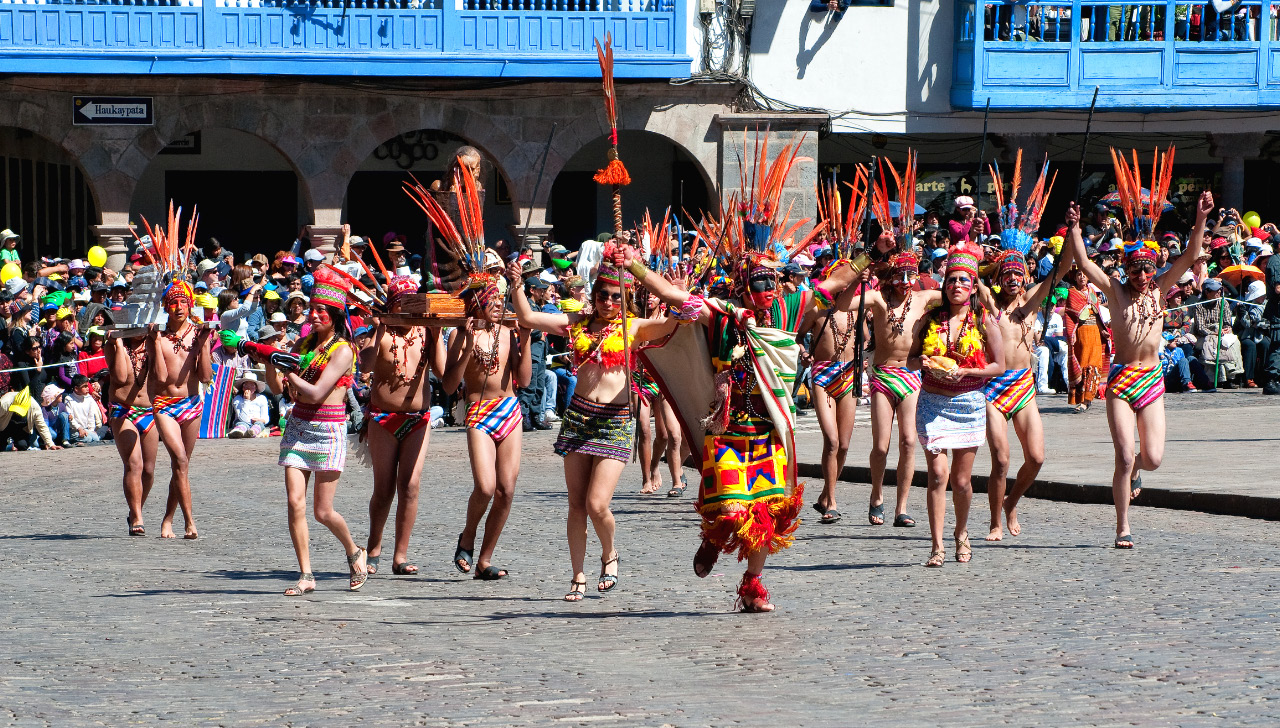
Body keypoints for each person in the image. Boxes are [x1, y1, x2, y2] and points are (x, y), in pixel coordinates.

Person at [624, 237, 865, 611]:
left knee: (766, 513)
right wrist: (634, 266)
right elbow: (673, 295)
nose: (769, 289)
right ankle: (716, 534)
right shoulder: (723, 316)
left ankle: (752, 586)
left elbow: (835, 283)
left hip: (768, 432)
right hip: (727, 431)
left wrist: (874, 256)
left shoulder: (790, 310)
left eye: (773, 281)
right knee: (734, 510)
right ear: (743, 285)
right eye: (760, 282)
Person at [507, 254, 677, 603]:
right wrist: (515, 285)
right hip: (578, 419)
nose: (609, 303)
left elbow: (675, 322)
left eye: (617, 297)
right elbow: (526, 317)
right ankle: (578, 575)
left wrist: (660, 284)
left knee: (597, 503)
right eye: (603, 296)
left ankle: (610, 554)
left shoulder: (634, 328)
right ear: (594, 295)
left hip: (614, 422)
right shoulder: (578, 323)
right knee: (576, 505)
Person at [1064, 180, 1212, 548]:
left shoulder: (1161, 288)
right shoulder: (1115, 290)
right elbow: (1083, 262)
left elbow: (1192, 254)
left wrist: (1200, 219)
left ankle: (1135, 473)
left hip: (1152, 380)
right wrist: (1075, 228)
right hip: (1120, 381)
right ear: (1127, 269)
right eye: (1135, 271)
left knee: (1153, 458)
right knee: (1124, 457)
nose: (1142, 277)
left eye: (1146, 270)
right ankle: (1122, 527)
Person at [257, 267, 368, 595]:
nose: (315, 314)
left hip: (328, 428)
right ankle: (306, 574)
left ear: (334, 315)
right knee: (295, 503)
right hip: (298, 427)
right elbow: (280, 389)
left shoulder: (343, 349)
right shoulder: (304, 345)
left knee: (322, 511)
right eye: (313, 309)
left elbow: (318, 392)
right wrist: (267, 358)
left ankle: (354, 551)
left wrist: (288, 373)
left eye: (322, 310)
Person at [910, 241, 1006, 567]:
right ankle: (936, 545)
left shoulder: (983, 321)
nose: (957, 286)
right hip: (932, 402)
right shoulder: (930, 318)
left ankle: (961, 532)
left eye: (964, 280)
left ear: (973, 286)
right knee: (938, 475)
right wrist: (922, 360)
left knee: (961, 481)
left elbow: (999, 366)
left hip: (968, 403)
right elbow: (909, 360)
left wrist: (966, 369)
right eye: (952, 280)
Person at [978, 227, 1074, 540]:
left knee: (1036, 458)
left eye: (1018, 273)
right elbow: (969, 278)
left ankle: (1011, 503)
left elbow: (1062, 269)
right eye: (1006, 274)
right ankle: (994, 521)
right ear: (998, 277)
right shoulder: (989, 306)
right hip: (992, 389)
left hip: (1023, 386)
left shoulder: (1029, 304)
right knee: (1002, 460)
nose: (1013, 279)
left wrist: (1070, 233)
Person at [835, 250, 937, 528]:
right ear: (891, 278)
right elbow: (843, 306)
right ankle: (877, 495)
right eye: (899, 276)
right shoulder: (879, 300)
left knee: (909, 441)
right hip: (882, 376)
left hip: (911, 376)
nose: (905, 281)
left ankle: (901, 508)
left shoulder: (924, 298)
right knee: (881, 446)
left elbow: (963, 296)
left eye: (910, 275)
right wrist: (858, 278)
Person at [441, 272, 531, 581]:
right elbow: (451, 386)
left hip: (508, 409)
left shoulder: (507, 332)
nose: (496, 303)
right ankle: (467, 536)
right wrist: (466, 346)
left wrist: (526, 337)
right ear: (475, 303)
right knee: (485, 486)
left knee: (506, 491)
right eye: (489, 298)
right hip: (478, 411)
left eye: (497, 298)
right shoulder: (460, 334)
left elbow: (527, 379)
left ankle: (484, 559)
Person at [360, 276, 445, 577]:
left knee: (409, 486)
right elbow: (365, 366)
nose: (409, 308)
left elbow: (444, 373)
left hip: (417, 420)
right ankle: (373, 548)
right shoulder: (381, 332)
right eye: (404, 301)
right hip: (383, 420)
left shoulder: (425, 332)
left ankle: (400, 555)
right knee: (383, 488)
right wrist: (379, 326)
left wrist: (438, 334)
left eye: (414, 301)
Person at [146, 280, 213, 539]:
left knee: (180, 466)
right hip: (165, 405)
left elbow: (205, 376)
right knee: (181, 460)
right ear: (166, 307)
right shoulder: (159, 337)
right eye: (173, 303)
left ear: (190, 304)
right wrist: (154, 342)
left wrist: (204, 345)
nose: (178, 307)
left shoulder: (197, 335)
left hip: (193, 403)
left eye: (183, 302)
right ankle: (190, 522)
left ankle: (167, 519)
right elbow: (161, 379)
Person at [1064, 264, 1107, 412]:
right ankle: (1081, 399)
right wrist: (1071, 335)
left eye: (1084, 274)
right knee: (1082, 364)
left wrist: (1102, 330)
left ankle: (1087, 399)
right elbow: (1071, 315)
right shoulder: (1072, 293)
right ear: (1075, 278)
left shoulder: (1092, 292)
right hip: (1081, 333)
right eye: (1079, 275)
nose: (1082, 277)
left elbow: (1097, 314)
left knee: (1093, 366)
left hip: (1094, 332)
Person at [64, 373, 106, 445]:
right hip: (75, 430)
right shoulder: (69, 399)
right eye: (85, 386)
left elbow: (91, 416)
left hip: (86, 429)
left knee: (95, 437)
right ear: (76, 389)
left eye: (87, 386)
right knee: (89, 438)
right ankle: (77, 441)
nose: (88, 388)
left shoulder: (88, 398)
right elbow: (70, 419)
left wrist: (91, 430)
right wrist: (79, 428)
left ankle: (86, 439)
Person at [229, 373, 270, 438]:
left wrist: (260, 420)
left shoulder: (262, 398)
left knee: (259, 425)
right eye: (246, 385)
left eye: (252, 385)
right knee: (241, 424)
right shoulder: (238, 399)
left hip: (258, 422)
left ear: (256, 387)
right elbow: (242, 418)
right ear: (242, 387)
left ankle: (252, 432)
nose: (249, 388)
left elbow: (266, 417)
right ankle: (238, 432)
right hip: (242, 421)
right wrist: (246, 400)